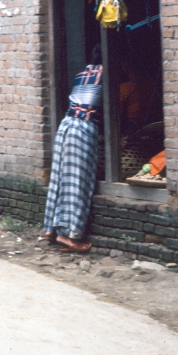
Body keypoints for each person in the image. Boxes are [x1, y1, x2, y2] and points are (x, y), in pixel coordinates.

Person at [41, 47, 104, 253]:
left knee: (58, 177)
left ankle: (50, 229)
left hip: (66, 125)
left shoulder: (81, 74)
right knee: (77, 181)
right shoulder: (107, 74)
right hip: (82, 128)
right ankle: (68, 236)